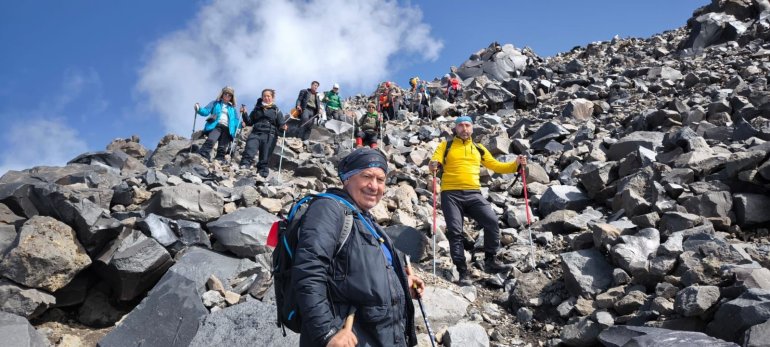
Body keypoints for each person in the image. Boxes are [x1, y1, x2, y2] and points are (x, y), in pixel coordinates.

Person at [292, 148, 425, 347]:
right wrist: (327, 333)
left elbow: (361, 274)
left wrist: (401, 283)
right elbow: (309, 272)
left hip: (380, 336)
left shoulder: (365, 220)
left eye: (381, 180)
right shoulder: (329, 209)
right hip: (349, 338)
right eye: (366, 176)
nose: (374, 186)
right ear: (346, 179)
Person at [428, 116, 527, 286]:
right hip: (450, 193)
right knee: (455, 231)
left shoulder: (479, 149)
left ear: (472, 128)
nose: (464, 128)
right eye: (460, 125)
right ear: (455, 128)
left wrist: (516, 164)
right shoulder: (446, 145)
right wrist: (433, 165)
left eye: (467, 125)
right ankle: (462, 271)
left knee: (491, 221)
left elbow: (496, 166)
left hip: (473, 193)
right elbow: (434, 162)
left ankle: (490, 260)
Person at [239, 88, 288, 177]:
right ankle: (244, 167)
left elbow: (280, 124)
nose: (266, 98)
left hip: (270, 134)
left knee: (265, 156)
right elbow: (249, 122)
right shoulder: (257, 109)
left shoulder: (277, 110)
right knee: (250, 148)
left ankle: (262, 174)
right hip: (256, 132)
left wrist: (283, 127)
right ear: (262, 97)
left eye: (268, 96)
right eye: (264, 96)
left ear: (272, 97)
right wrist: (244, 114)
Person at [195, 86, 241, 163]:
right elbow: (206, 111)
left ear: (231, 97)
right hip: (216, 125)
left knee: (223, 146)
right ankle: (203, 154)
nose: (227, 96)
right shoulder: (215, 103)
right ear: (222, 94)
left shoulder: (232, 109)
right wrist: (199, 109)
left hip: (228, 128)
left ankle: (220, 159)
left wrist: (240, 125)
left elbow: (236, 120)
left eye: (229, 95)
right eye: (226, 94)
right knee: (211, 140)